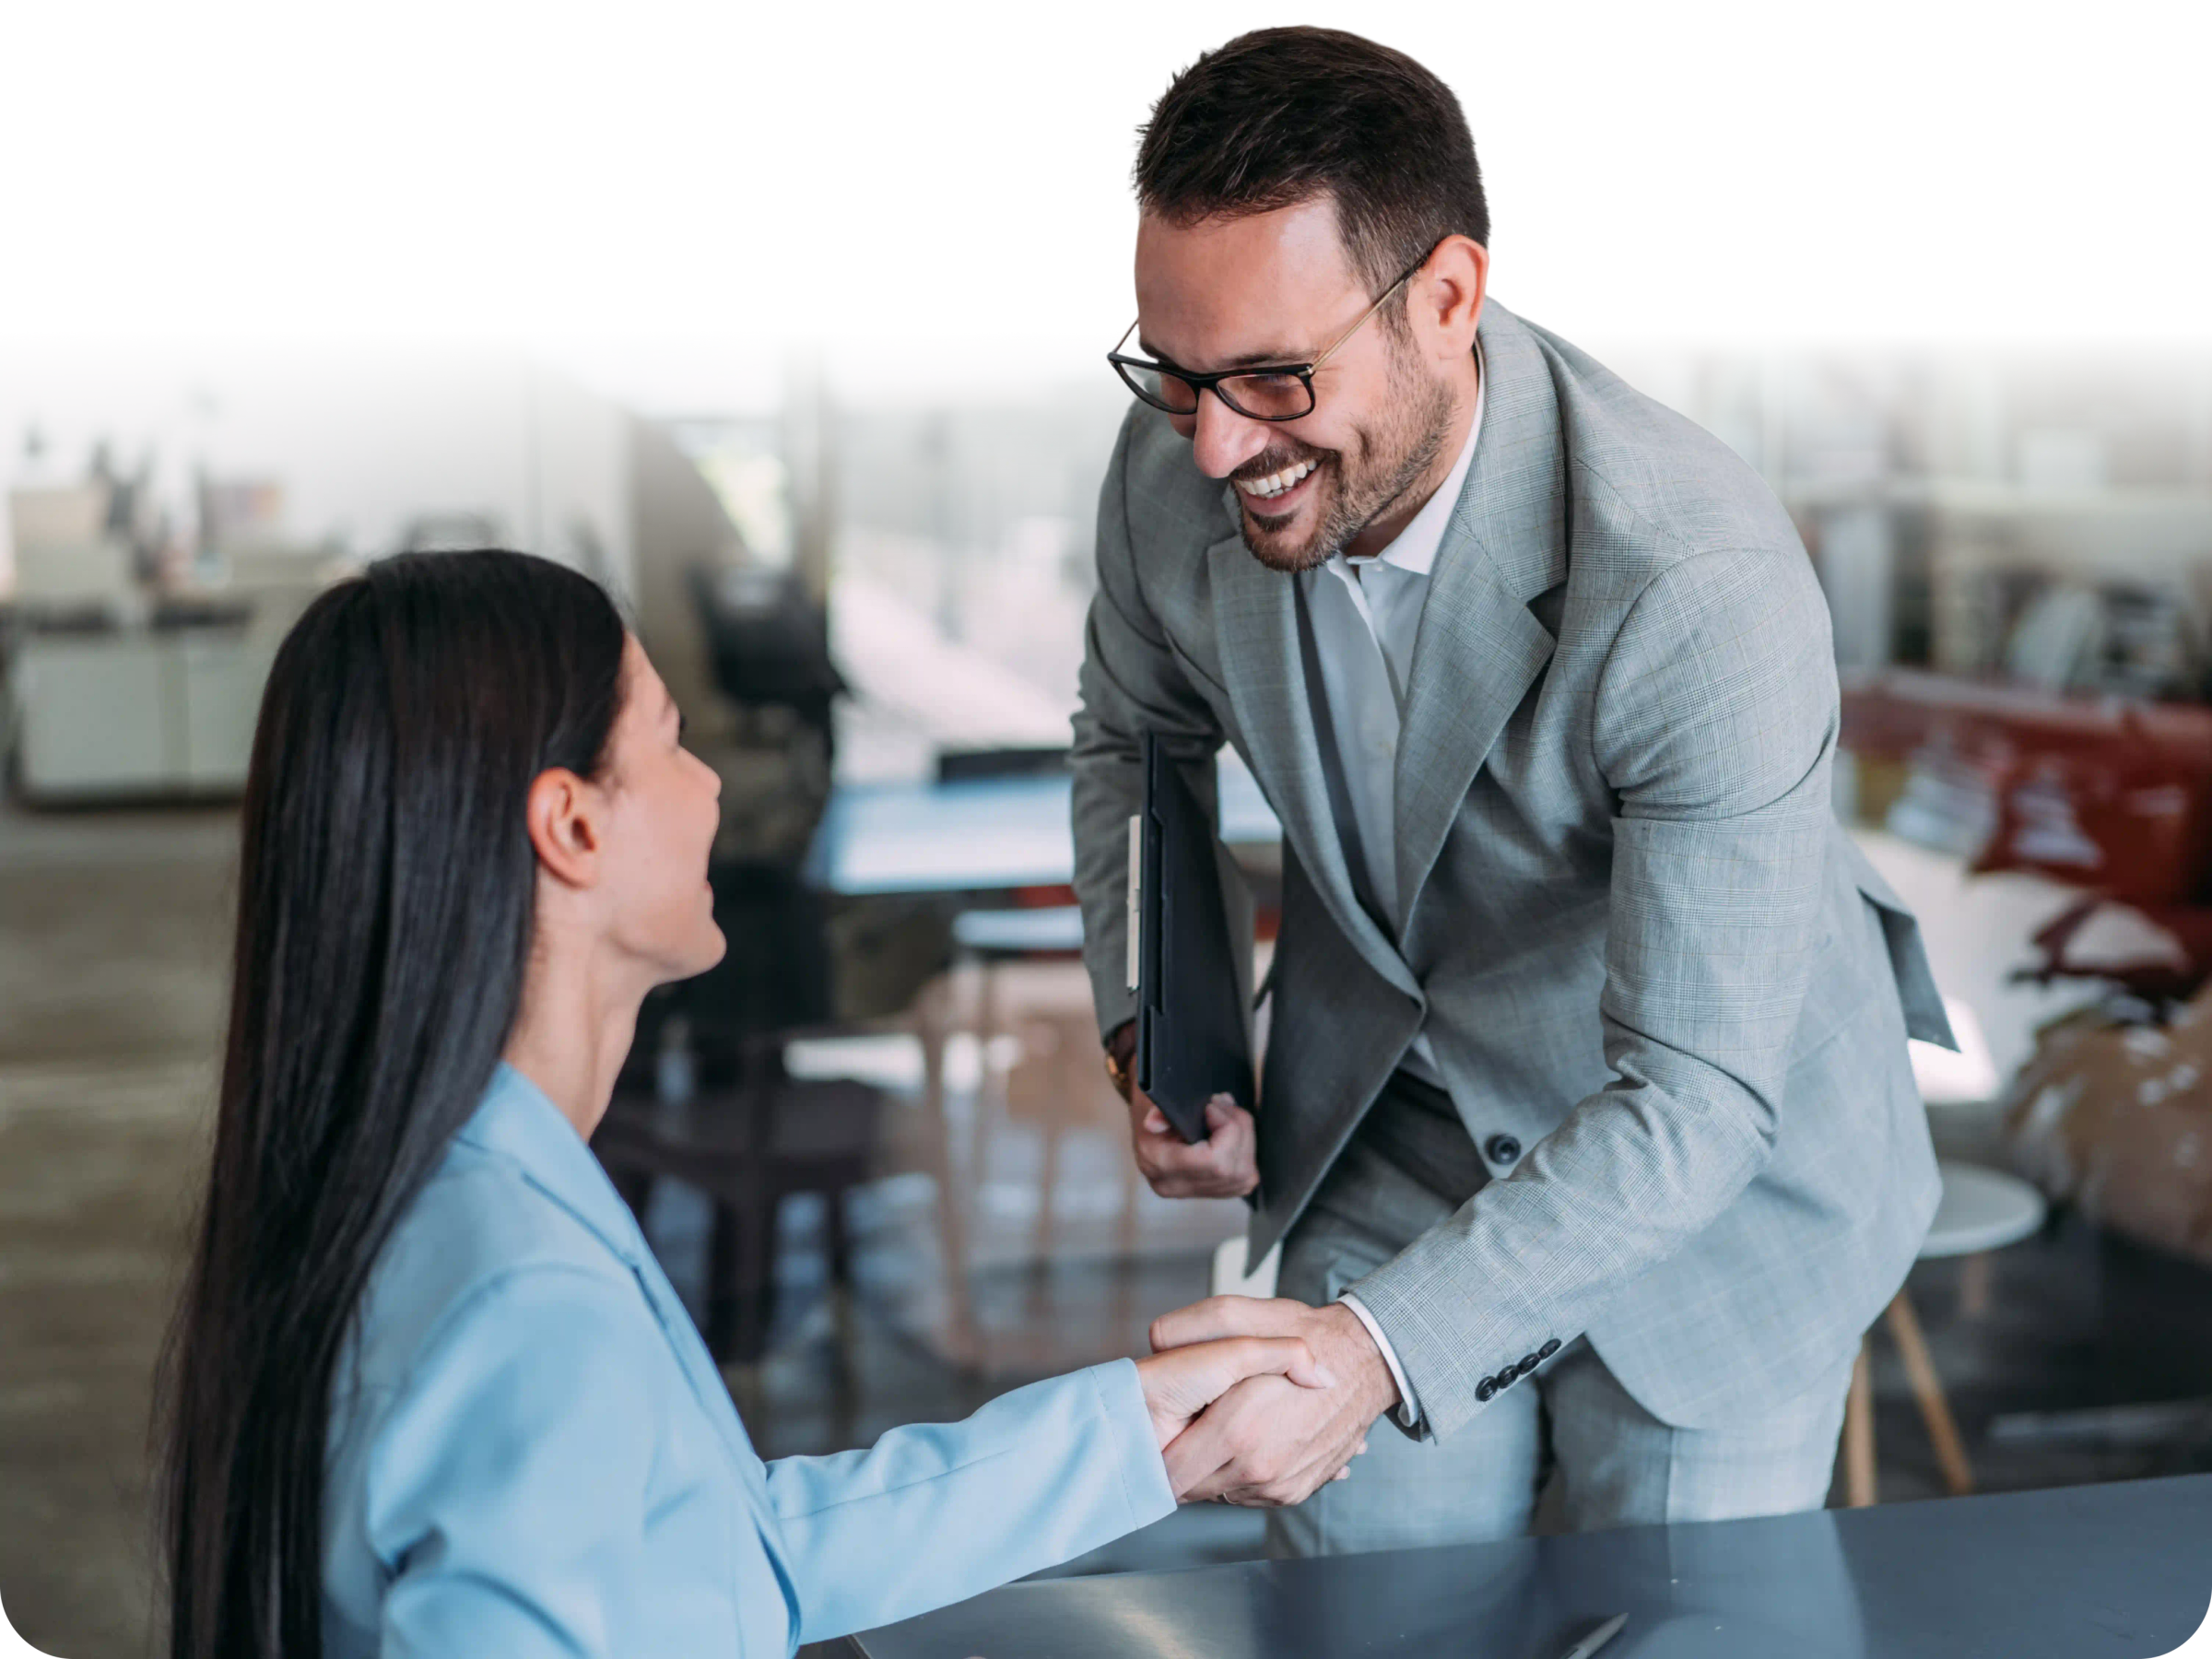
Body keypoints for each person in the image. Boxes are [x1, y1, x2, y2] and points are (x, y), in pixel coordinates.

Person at [1069, 24, 1958, 1553]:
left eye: (1276, 378)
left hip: (1710, 1178)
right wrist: (1167, 1020)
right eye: (1177, 373)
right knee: (1364, 1614)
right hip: (1394, 1124)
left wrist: (1372, 1353)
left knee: (1684, 1625)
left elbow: (1691, 1099)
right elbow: (1134, 740)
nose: (1217, 446)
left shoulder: (1693, 573)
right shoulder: (1176, 473)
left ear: (1450, 298)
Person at [150, 547, 1345, 1659]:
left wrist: (1138, 1436)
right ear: (572, 824)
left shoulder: (451, 1190)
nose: (710, 785)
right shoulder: (525, 1302)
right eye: (671, 741)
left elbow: (722, 1554)